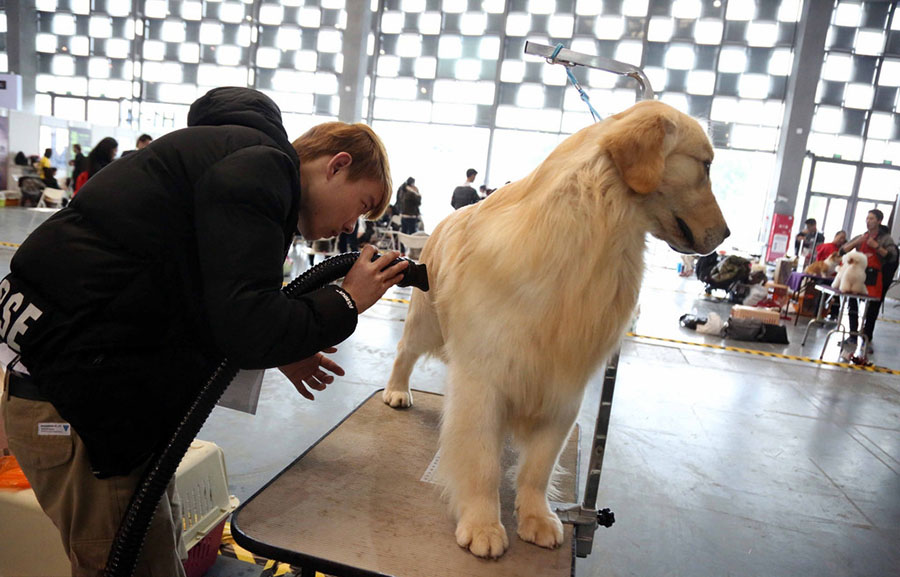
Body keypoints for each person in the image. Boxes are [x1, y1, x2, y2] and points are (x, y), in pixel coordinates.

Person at [0, 86, 406, 577]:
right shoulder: (262, 168)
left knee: (154, 554)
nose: (349, 225)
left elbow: (202, 298)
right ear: (336, 165)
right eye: (359, 205)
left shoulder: (229, 155)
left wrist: (281, 344)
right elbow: (244, 327)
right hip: (80, 413)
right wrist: (346, 299)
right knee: (131, 564)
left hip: (85, 396)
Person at [839, 209, 898, 355]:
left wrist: (876, 247)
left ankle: (867, 338)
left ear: (879, 221)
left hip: (875, 277)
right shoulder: (861, 237)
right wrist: (855, 243)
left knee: (872, 310)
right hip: (858, 276)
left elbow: (892, 256)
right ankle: (852, 335)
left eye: (871, 218)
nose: (868, 221)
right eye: (867, 218)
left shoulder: (886, 239)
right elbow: (842, 251)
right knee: (852, 303)